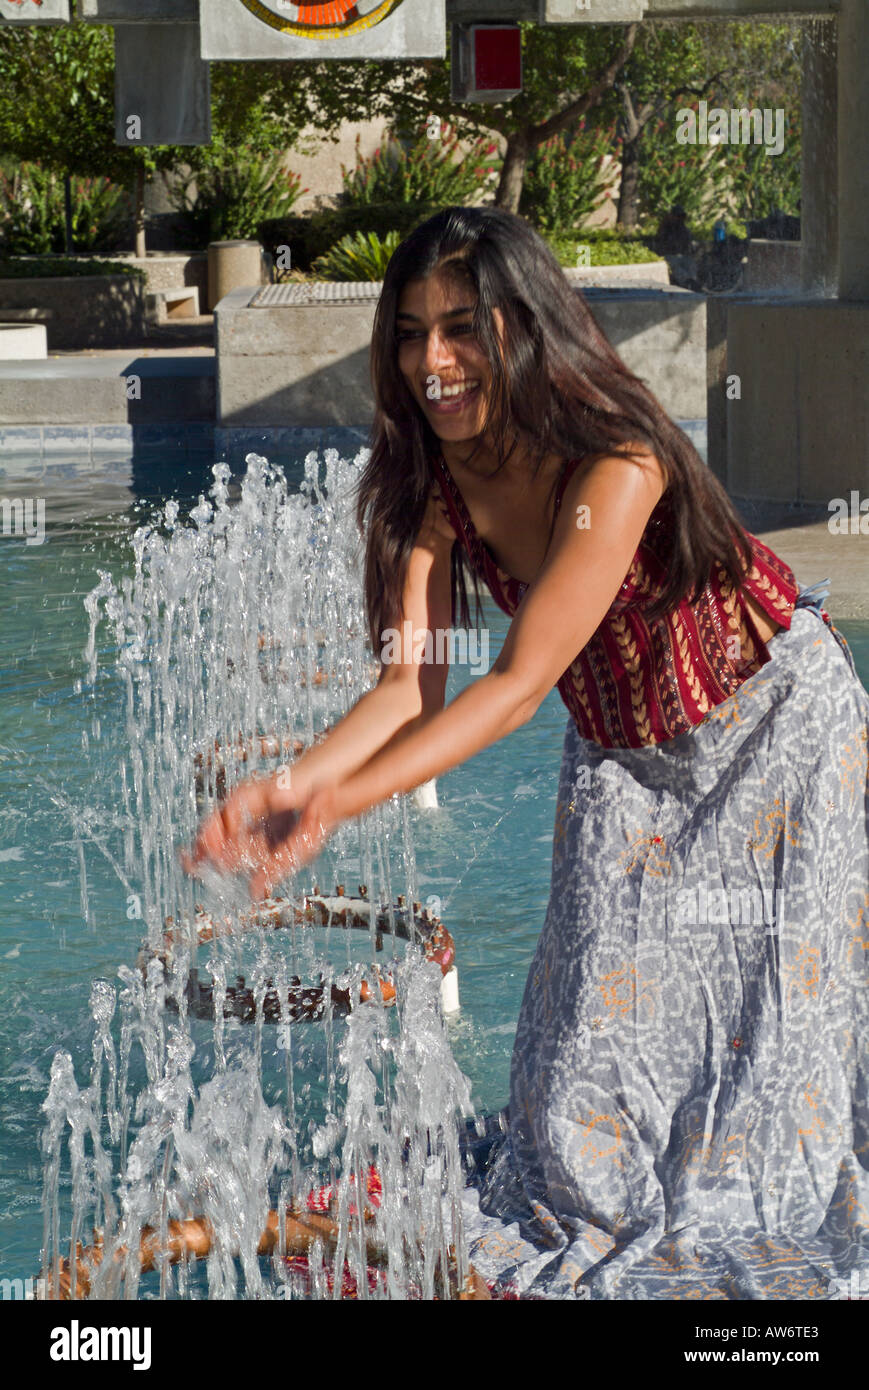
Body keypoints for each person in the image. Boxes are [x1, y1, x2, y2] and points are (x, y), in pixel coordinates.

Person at [183, 206, 869, 1301]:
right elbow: (411, 681)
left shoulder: (618, 461)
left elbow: (514, 685)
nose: (433, 362)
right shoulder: (431, 486)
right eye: (409, 333)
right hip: (623, 754)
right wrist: (296, 783)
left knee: (763, 1045)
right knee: (568, 1091)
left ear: (524, 325)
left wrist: (337, 805)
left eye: (462, 328)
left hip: (772, 737)